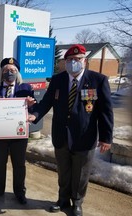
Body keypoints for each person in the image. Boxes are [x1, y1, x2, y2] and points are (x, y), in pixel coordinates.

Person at [29, 44, 113, 216]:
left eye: (77, 59)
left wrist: (106, 137)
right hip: (61, 136)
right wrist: (34, 115)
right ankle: (62, 199)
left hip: (84, 137)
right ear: (65, 62)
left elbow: (105, 111)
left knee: (81, 174)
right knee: (64, 172)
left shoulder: (98, 80)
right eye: (69, 60)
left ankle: (77, 203)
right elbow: (46, 102)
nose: (73, 62)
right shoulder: (58, 80)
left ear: (85, 61)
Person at [0, 57, 34, 205]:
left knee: (19, 165)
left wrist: (30, 105)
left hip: (18, 133)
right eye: (7, 70)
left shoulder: (26, 88)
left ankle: (20, 192)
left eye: (13, 70)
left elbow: (31, 111)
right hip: (0, 133)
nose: (10, 72)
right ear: (2, 72)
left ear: (18, 73)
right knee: (0, 163)